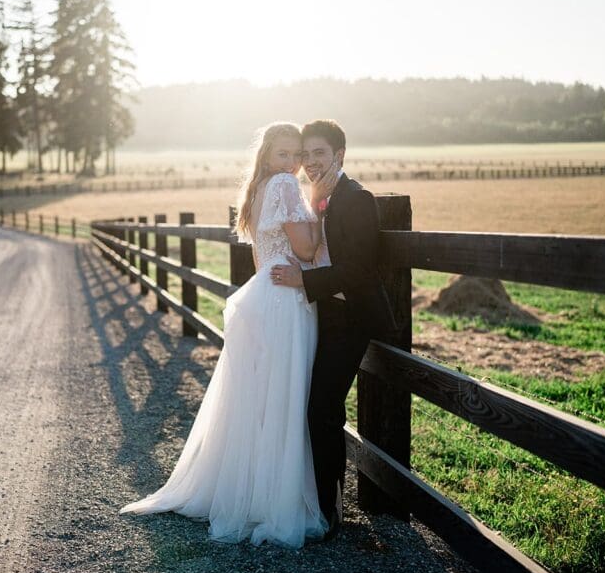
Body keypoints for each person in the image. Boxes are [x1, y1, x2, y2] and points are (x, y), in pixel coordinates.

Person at [119, 122, 339, 548]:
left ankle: (249, 491)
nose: (294, 163)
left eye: (297, 155)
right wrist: (320, 203)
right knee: (284, 399)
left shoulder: (256, 189)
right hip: (286, 303)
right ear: (268, 155)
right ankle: (276, 500)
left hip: (264, 296)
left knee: (259, 400)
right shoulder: (285, 187)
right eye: (285, 154)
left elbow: (265, 254)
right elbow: (309, 250)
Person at [270, 119, 399, 541]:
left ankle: (329, 509)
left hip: (350, 318)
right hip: (321, 314)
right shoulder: (315, 196)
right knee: (311, 405)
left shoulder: (356, 198)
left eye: (318, 154)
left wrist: (303, 283)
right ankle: (319, 500)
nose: (309, 162)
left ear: (339, 155)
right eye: (306, 155)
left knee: (322, 407)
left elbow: (359, 270)